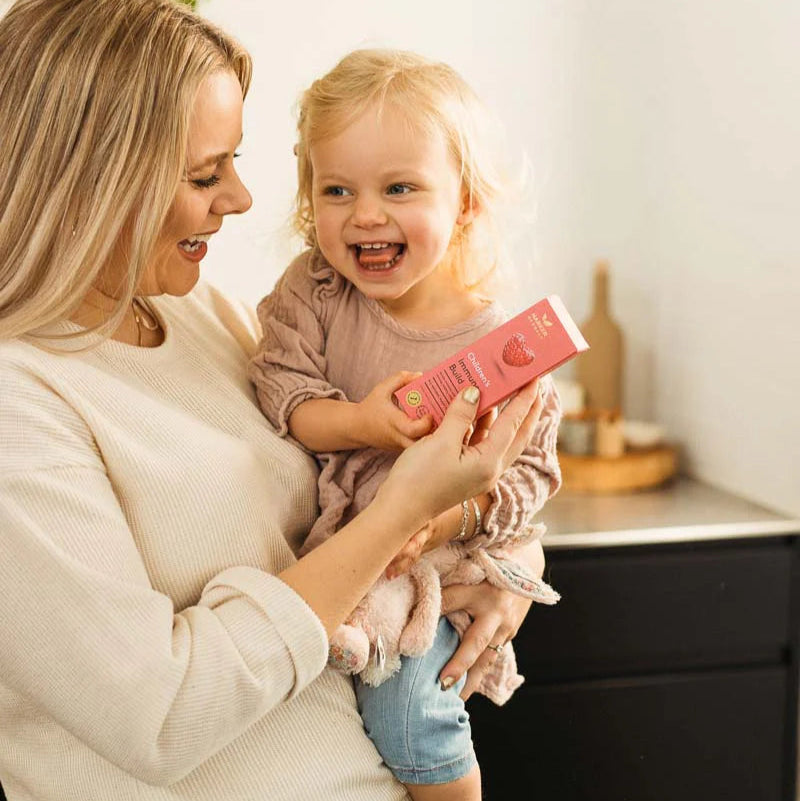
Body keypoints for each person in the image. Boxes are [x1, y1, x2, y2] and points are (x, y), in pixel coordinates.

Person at [0, 2, 549, 800]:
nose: (244, 198)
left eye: (235, 161)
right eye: (203, 174)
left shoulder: (191, 313)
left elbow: (316, 525)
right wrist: (400, 515)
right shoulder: (21, 401)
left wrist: (502, 560)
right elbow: (159, 717)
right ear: (92, 178)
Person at [248, 49, 563, 801]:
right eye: (337, 189)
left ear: (464, 205)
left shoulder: (508, 347)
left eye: (399, 187)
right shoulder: (316, 292)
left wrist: (444, 514)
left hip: (441, 563)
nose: (365, 213)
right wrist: (361, 419)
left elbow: (530, 481)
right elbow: (280, 389)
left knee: (411, 712)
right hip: (341, 550)